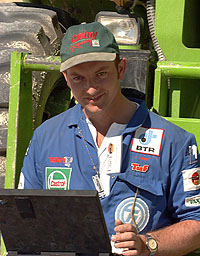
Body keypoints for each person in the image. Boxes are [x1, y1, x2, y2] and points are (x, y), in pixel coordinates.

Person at [19, 22, 200, 256]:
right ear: (65, 78)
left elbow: (196, 223)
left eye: (100, 74)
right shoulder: (46, 137)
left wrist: (148, 244)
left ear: (121, 68)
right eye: (78, 78)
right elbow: (26, 219)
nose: (91, 89)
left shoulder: (174, 142)